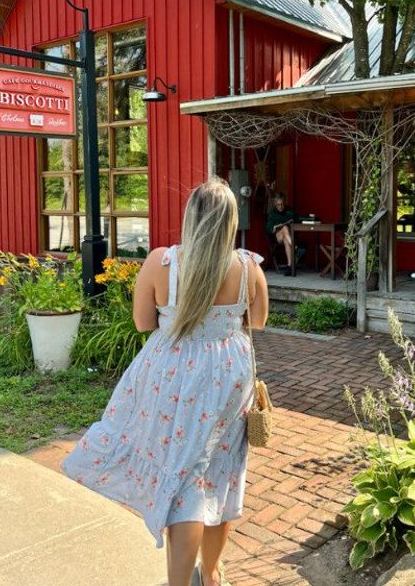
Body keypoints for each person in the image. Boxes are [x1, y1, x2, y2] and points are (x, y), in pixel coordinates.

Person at [62, 177, 270, 586]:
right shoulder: (248, 267)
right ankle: (211, 574)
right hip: (229, 378)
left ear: (191, 217)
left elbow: (143, 322)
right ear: (231, 221)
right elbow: (258, 321)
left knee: (183, 476)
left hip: (173, 377)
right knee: (219, 472)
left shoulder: (163, 262)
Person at [267, 192, 297, 275]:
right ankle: (295, 247)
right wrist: (275, 226)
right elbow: (268, 228)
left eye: (282, 204)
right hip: (277, 236)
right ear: (275, 204)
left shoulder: (289, 210)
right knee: (284, 228)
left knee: (286, 240)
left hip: (286, 236)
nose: (281, 206)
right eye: (278, 205)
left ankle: (290, 267)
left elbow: (296, 218)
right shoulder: (272, 213)